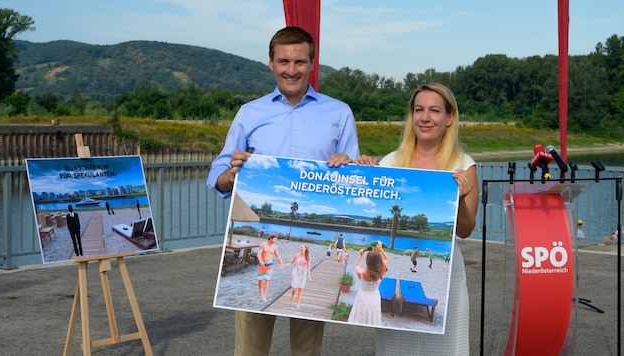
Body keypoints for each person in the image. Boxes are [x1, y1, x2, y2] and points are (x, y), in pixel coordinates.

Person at [205, 26, 360, 356]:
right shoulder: (249, 113)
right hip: (264, 248)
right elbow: (216, 174)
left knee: (306, 350)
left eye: (300, 62)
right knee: (249, 349)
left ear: (312, 64)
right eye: (284, 61)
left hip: (304, 252)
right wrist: (231, 177)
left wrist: (347, 166)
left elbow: (354, 177)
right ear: (271, 63)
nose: (292, 70)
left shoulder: (339, 112)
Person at [355, 83, 479, 354]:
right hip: (392, 274)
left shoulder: (463, 164)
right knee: (396, 347)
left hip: (451, 277)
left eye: (435, 110)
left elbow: (467, 229)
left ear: (449, 118)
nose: (425, 117)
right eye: (418, 109)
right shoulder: (389, 161)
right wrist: (363, 171)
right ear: (411, 116)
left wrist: (459, 200)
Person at [347, 242, 389, 326]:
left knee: (359, 315)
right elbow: (387, 258)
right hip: (374, 296)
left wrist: (360, 255)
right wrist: (381, 249)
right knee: (373, 314)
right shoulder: (382, 270)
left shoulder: (362, 273)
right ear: (379, 261)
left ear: (367, 261)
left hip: (362, 296)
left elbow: (356, 266)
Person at [282, 244, 311, 309]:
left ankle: (298, 304)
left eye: (302, 247)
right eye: (300, 247)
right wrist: (283, 266)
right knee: (294, 288)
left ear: (305, 248)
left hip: (303, 273)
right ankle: (292, 295)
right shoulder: (296, 255)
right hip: (295, 272)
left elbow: (308, 266)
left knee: (300, 289)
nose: (301, 248)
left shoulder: (308, 256)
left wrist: (308, 275)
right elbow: (290, 263)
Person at [257, 234, 284, 302]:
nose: (275, 241)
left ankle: (264, 295)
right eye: (275, 239)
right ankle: (260, 290)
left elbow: (277, 256)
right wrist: (260, 261)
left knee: (267, 280)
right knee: (260, 280)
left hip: (269, 264)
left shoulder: (274, 247)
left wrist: (281, 264)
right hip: (262, 264)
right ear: (271, 239)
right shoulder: (263, 244)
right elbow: (259, 254)